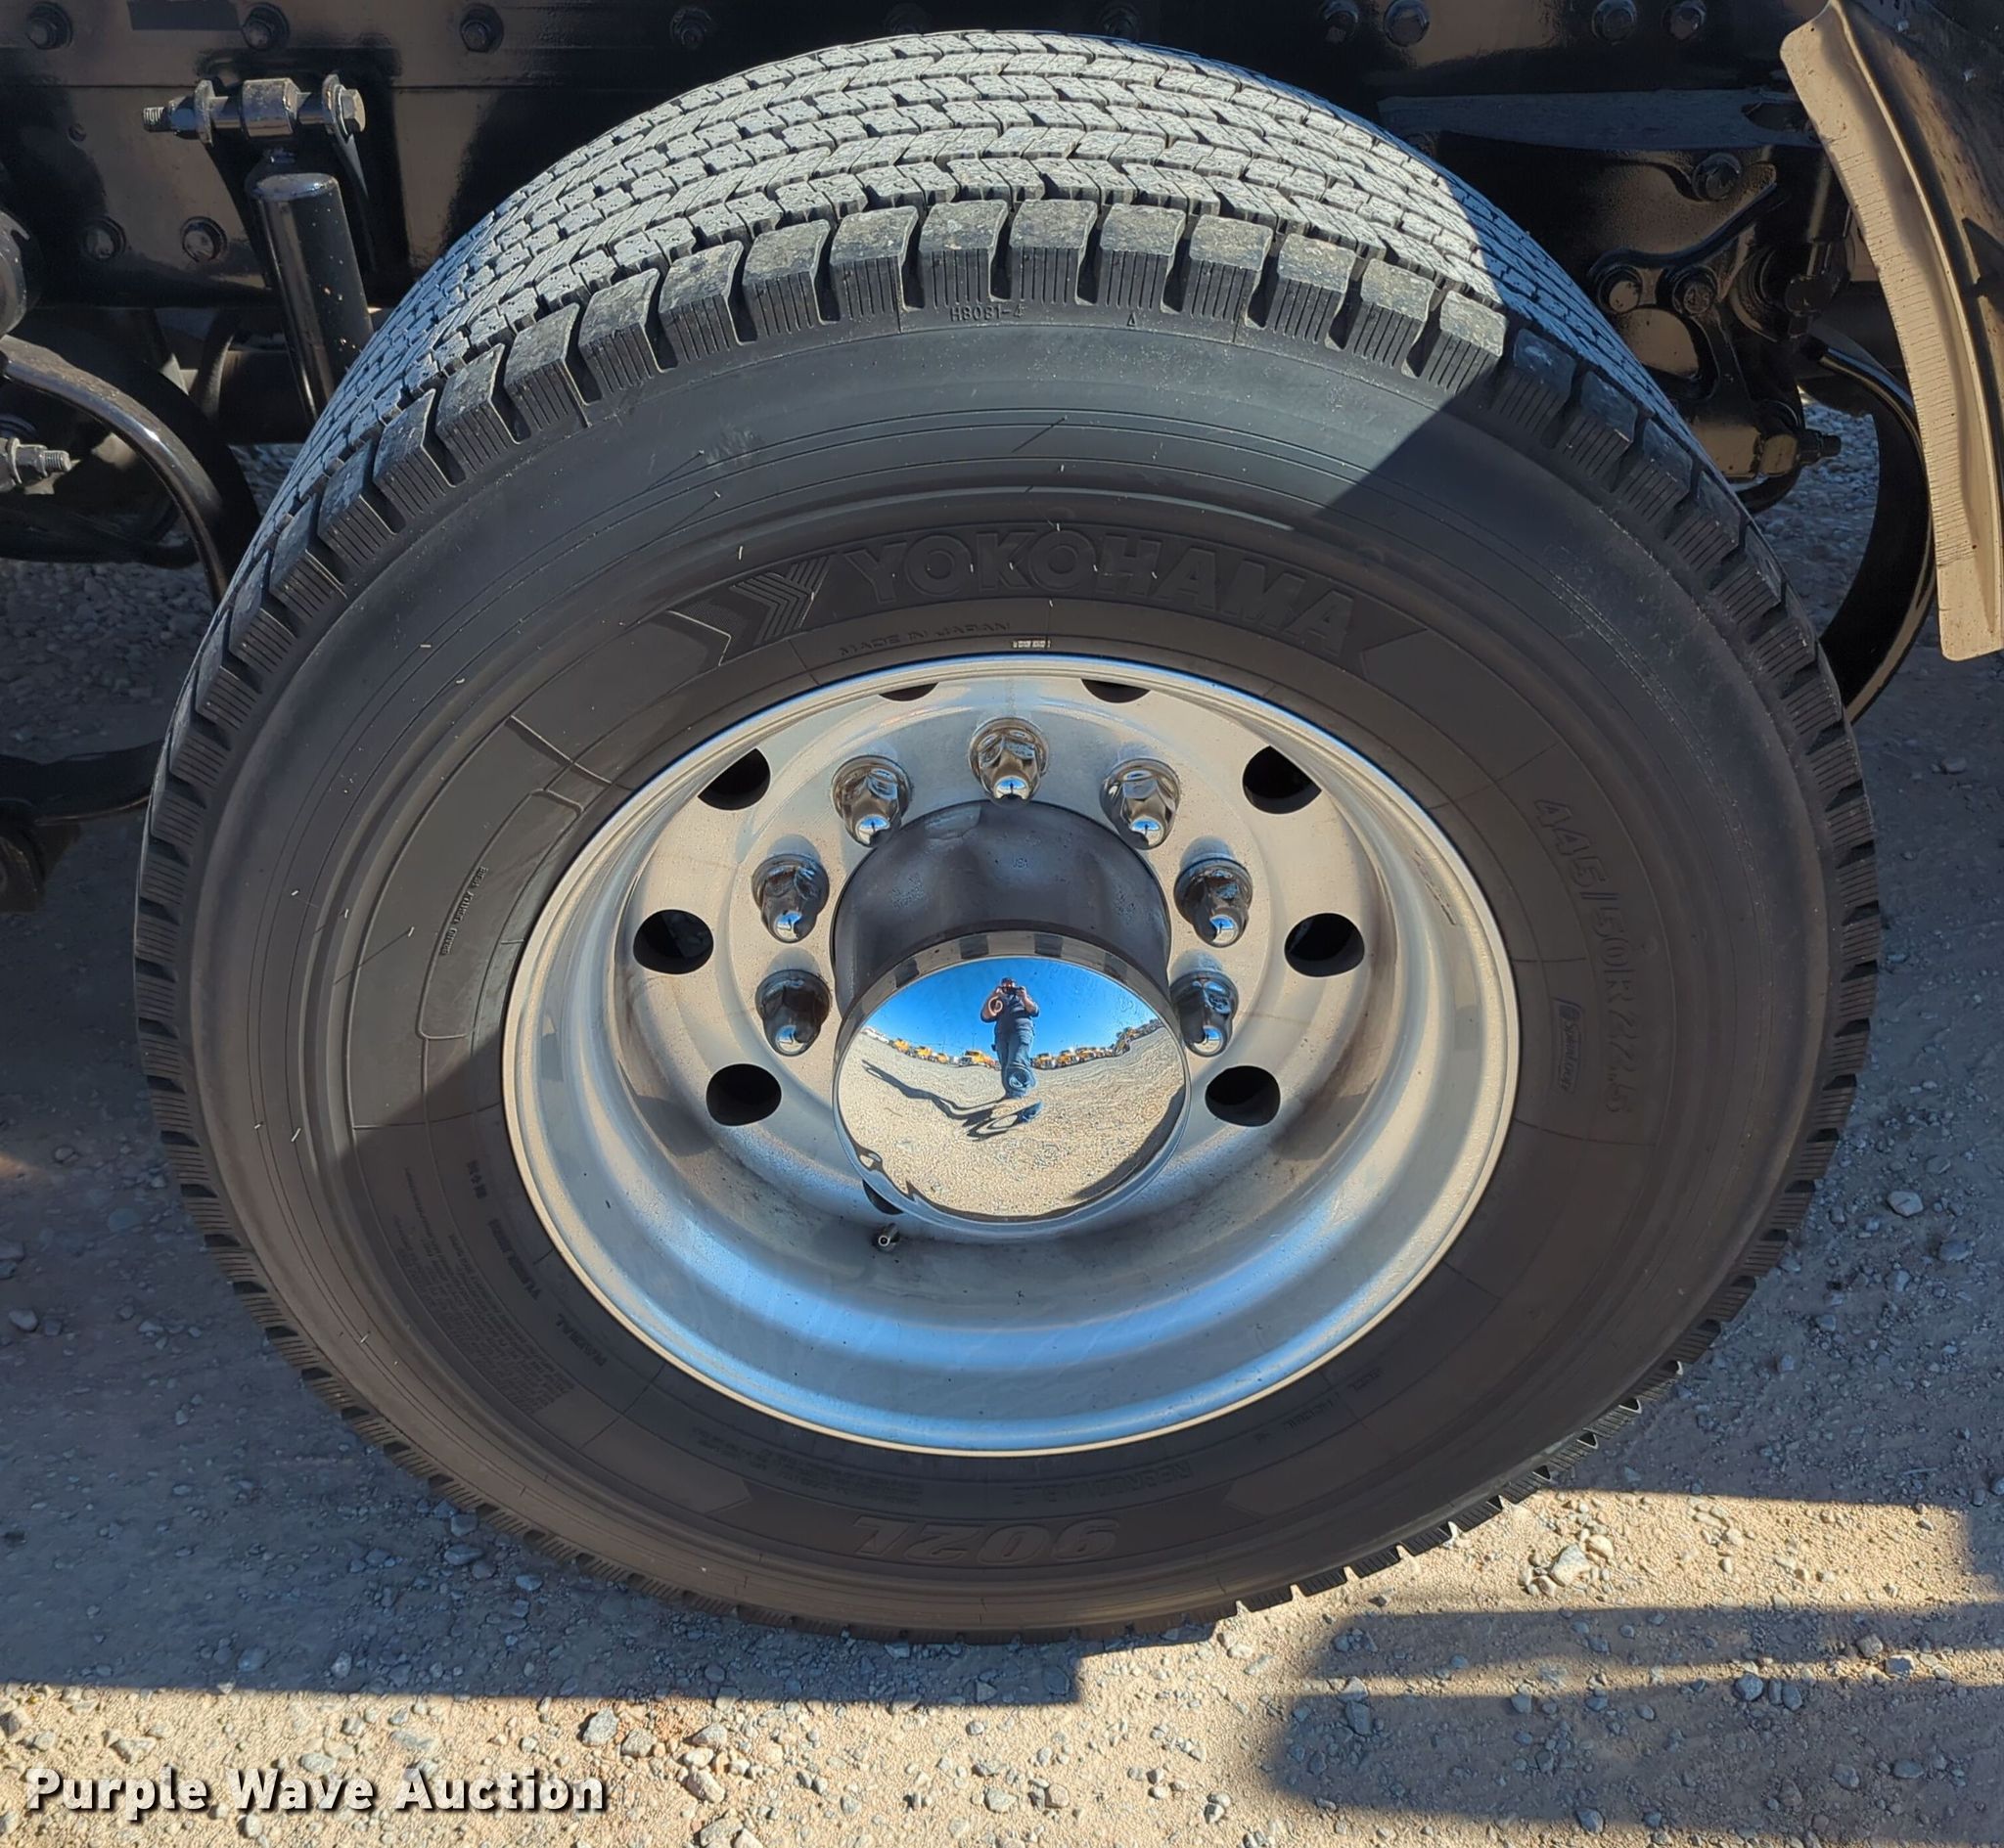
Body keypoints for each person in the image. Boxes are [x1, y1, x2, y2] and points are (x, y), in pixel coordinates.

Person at [980, 976, 1041, 1114]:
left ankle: (1016, 1096)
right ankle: (1010, 1094)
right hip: (1001, 1034)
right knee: (1005, 1064)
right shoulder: (998, 1000)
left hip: (1021, 1029)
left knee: (1017, 1059)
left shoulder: (1022, 996)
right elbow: (986, 1016)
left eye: (1011, 984)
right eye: (1005, 985)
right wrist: (993, 996)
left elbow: (1035, 1011)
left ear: (1015, 985)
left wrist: (1024, 997)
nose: (1008, 987)